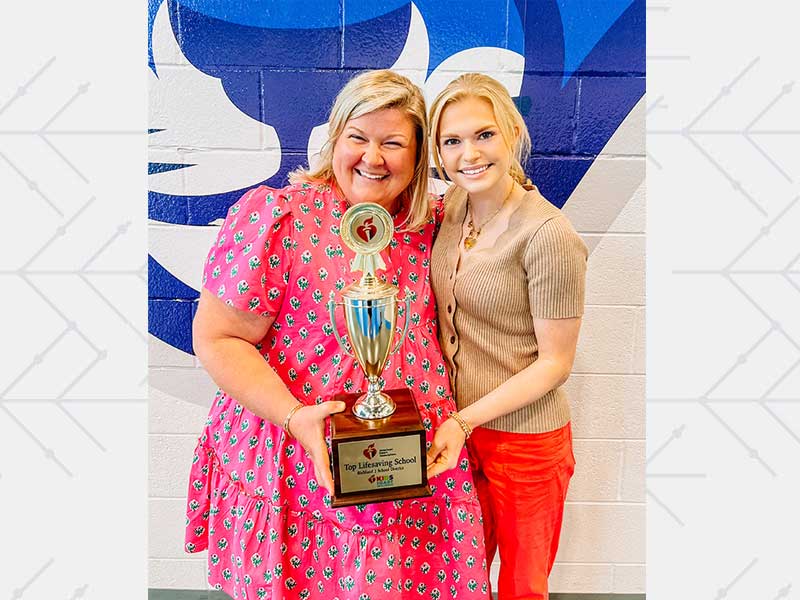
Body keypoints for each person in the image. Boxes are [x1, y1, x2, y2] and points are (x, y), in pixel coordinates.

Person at [185, 70, 490, 600]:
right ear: (335, 139)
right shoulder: (280, 217)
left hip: (410, 462)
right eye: (358, 138)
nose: (373, 157)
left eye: (393, 143)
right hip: (300, 457)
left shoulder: (436, 223)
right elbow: (218, 338)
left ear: (418, 158)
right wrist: (293, 416)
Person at [426, 73, 588, 599]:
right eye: (452, 141)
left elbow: (554, 364)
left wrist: (463, 419)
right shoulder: (451, 209)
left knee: (521, 586)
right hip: (460, 435)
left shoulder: (549, 236)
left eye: (484, 135)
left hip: (525, 441)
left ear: (512, 131)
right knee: (459, 578)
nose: (468, 154)